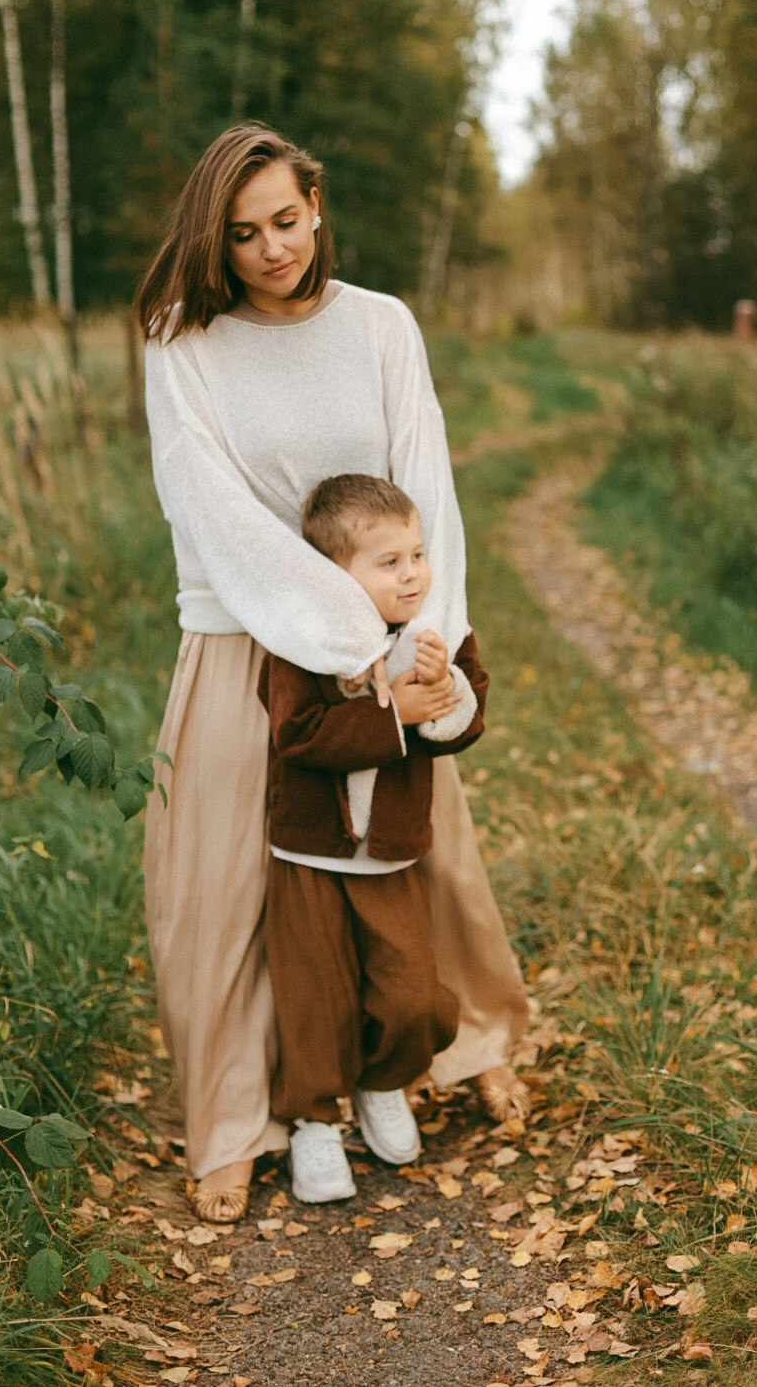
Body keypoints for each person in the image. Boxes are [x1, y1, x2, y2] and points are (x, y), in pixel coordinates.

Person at [138, 122, 529, 1223]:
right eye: (244, 233)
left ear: (316, 203)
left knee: (416, 853)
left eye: (287, 220)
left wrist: (422, 652)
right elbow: (212, 514)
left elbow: (427, 487)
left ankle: (460, 1046)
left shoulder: (381, 325)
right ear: (213, 239)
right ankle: (231, 1121)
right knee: (222, 888)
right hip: (239, 639)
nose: (271, 249)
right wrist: (346, 640)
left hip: (387, 640)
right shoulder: (183, 339)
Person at [262, 473, 488, 1203]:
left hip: (390, 853)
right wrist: (396, 716)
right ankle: (314, 1122)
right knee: (315, 994)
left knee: (411, 994)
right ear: (335, 575)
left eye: (417, 554)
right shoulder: (300, 637)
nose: (413, 574)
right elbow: (296, 734)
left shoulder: (437, 629)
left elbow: (468, 719)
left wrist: (443, 696)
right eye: (388, 563)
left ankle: (384, 1081)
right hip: (309, 851)